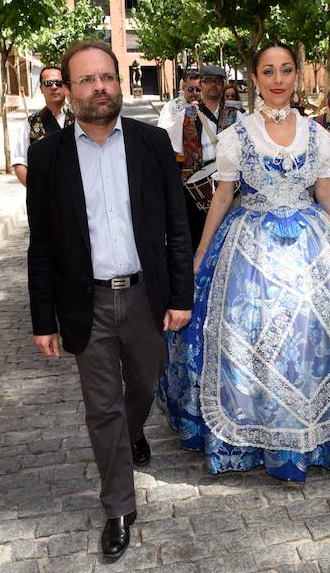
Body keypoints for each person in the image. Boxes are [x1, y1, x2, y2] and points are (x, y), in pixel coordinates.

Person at [159, 41, 330, 483]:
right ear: (255, 78)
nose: (277, 80)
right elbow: (223, 195)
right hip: (249, 245)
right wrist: (201, 254)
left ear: (296, 75)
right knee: (248, 337)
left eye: (285, 70)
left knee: (309, 334)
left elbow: (326, 190)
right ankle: (253, 434)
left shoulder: (318, 134)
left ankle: (313, 432)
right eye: (268, 71)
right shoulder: (236, 135)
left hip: (310, 246)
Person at [26, 41, 193, 560]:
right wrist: (42, 318)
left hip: (145, 296)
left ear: (119, 83)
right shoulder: (47, 155)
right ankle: (119, 504)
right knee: (102, 408)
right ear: (69, 91)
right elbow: (43, 244)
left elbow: (176, 228)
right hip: (88, 304)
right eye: (86, 80)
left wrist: (181, 295)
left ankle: (135, 427)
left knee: (144, 383)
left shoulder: (151, 143)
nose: (99, 87)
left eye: (107, 77)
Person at [160, 64, 246, 249]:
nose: (213, 85)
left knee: (229, 238)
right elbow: (175, 150)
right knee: (196, 237)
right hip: (196, 190)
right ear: (201, 84)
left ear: (223, 85)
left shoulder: (237, 116)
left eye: (217, 81)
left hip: (230, 186)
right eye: (208, 81)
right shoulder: (186, 114)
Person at [11, 65, 75, 186]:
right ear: (41, 88)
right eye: (48, 83)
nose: (54, 87)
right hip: (45, 192)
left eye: (58, 83)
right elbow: (20, 161)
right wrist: (35, 190)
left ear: (66, 86)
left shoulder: (79, 118)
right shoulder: (31, 123)